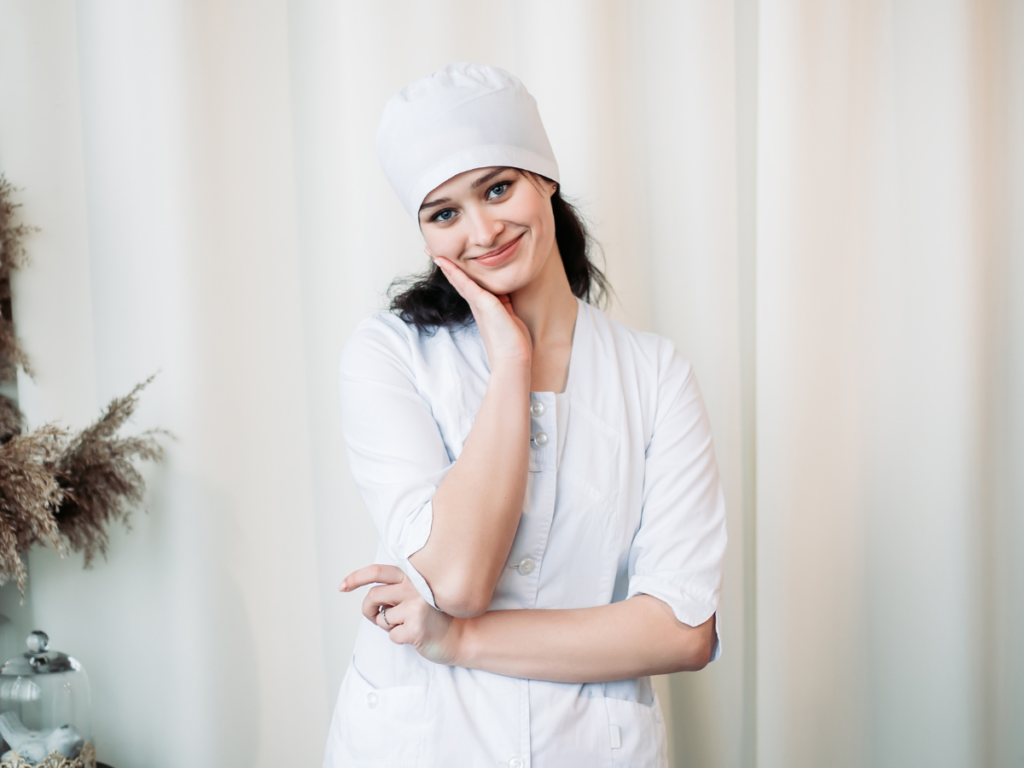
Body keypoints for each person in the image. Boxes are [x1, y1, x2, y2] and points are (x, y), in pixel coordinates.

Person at [324, 62, 727, 768]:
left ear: (546, 180)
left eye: (498, 187)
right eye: (444, 212)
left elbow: (682, 629)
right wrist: (513, 361)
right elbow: (458, 580)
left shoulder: (655, 373)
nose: (481, 231)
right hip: (422, 743)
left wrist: (458, 639)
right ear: (425, 236)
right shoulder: (387, 353)